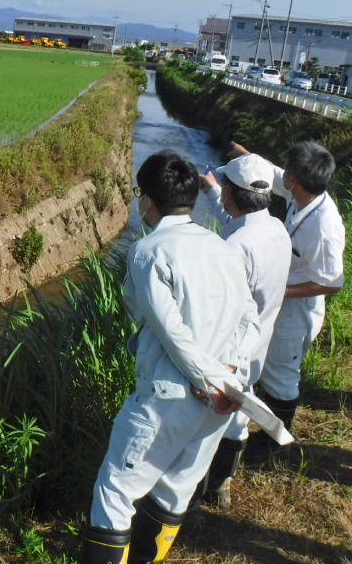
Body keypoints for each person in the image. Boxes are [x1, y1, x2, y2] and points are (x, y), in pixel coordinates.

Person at [81, 151, 260, 564]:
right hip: (218, 403)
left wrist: (208, 380)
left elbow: (170, 331)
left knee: (115, 491)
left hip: (170, 396)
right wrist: (230, 372)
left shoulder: (148, 251)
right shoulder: (221, 245)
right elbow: (250, 319)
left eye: (139, 196)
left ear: (147, 199)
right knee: (173, 492)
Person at [229, 141, 345, 460]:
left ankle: (272, 445)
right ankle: (267, 434)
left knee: (282, 377)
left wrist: (280, 291)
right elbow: (274, 171)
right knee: (269, 368)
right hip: (283, 301)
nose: (284, 177)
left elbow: (331, 282)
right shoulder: (303, 191)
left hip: (297, 310)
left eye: (288, 173)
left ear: (295, 181)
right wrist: (245, 155)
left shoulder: (325, 226)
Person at [193, 153, 292, 507]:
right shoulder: (276, 227)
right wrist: (212, 191)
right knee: (237, 418)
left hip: (229, 355)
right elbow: (238, 222)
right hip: (257, 348)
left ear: (232, 195)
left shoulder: (233, 249)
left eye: (224, 189)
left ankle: (194, 495)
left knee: (207, 423)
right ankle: (222, 486)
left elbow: (219, 313)